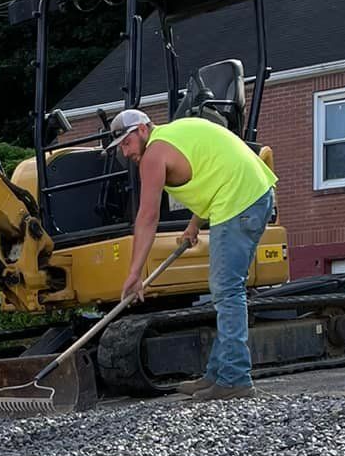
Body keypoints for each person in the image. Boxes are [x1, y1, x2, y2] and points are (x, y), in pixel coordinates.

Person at [112, 108, 278, 400]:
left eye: (126, 143)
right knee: (224, 290)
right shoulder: (176, 133)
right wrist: (193, 224)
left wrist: (135, 274)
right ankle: (217, 375)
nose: (125, 153)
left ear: (141, 130)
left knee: (227, 290)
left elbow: (147, 217)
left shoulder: (153, 155)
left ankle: (235, 379)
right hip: (253, 193)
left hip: (239, 201)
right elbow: (212, 171)